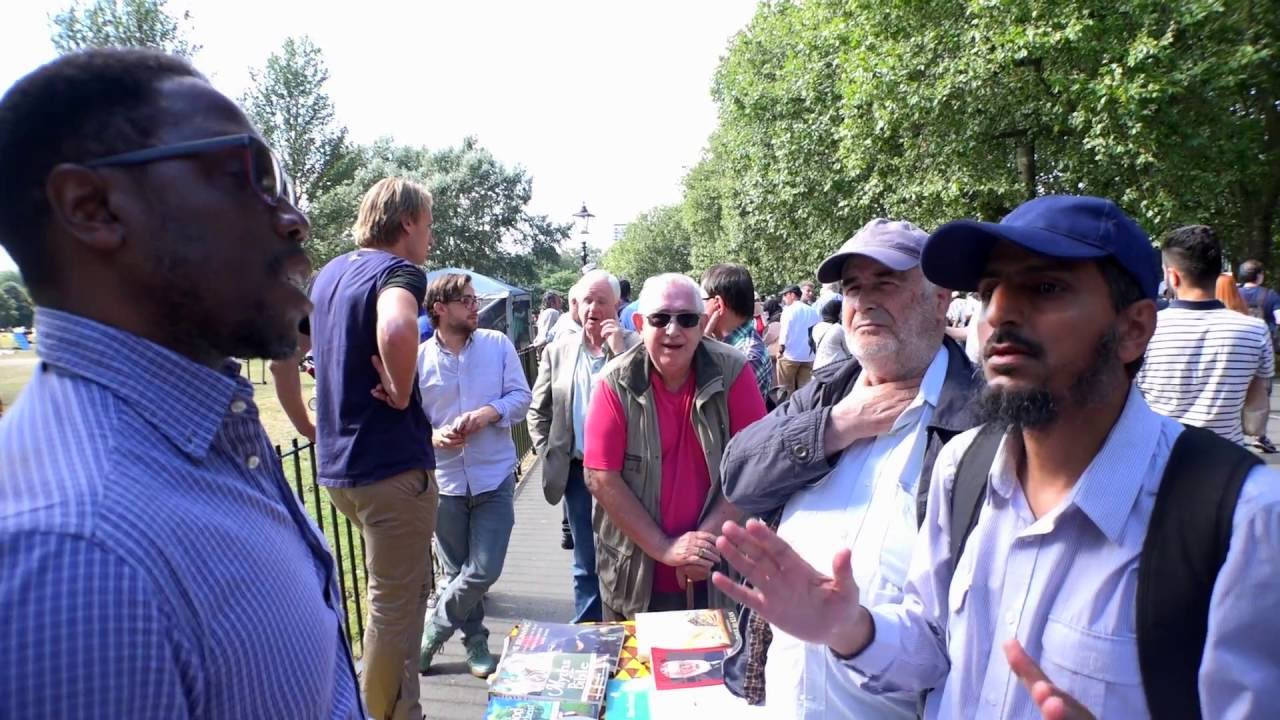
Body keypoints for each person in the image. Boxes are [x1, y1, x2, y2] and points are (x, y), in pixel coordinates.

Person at [713, 195, 1280, 719]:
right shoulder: (966, 466)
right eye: (990, 291)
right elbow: (933, 649)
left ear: (1133, 329)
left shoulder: (1242, 520)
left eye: (1046, 288)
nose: (1001, 315)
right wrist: (850, 629)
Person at [0, 48, 362, 717]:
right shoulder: (77, 555)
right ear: (92, 207)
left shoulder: (205, 439)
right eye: (244, 174)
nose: (292, 216)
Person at [718, 218, 980, 717]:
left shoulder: (980, 420)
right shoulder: (829, 392)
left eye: (887, 282)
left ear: (941, 298)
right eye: (855, 288)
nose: (866, 302)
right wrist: (835, 426)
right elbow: (739, 474)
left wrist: (849, 628)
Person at [310, 176, 437, 720]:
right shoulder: (399, 271)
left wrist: (306, 423)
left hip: (340, 471)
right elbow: (399, 324)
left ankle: (403, 709)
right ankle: (369, 712)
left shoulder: (329, 274)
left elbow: (283, 355)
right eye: (427, 225)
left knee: (403, 601)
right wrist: (403, 388)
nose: (429, 237)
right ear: (406, 221)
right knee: (392, 609)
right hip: (391, 470)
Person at [583, 274, 768, 620]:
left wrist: (702, 547)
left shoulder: (734, 371)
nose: (673, 330)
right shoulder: (614, 382)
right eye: (660, 318)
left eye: (686, 319)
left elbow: (754, 466)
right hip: (634, 575)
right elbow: (599, 477)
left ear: (701, 323)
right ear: (639, 324)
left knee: (719, 670)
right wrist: (665, 549)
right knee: (636, 671)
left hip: (718, 574)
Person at [416, 274, 532, 678]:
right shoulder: (418, 360)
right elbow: (408, 422)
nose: (474, 306)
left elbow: (522, 398)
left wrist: (488, 413)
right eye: (465, 300)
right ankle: (476, 641)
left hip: (493, 475)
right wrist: (433, 435)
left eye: (474, 299)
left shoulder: (497, 345)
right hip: (445, 481)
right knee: (456, 571)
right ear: (439, 309)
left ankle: (432, 632)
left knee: (483, 569)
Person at [527, 270, 639, 623]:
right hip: (578, 472)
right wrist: (550, 450)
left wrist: (619, 353)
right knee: (586, 561)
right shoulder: (559, 350)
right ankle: (589, 634)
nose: (593, 308)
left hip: (628, 472)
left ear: (617, 306)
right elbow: (538, 409)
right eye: (586, 301)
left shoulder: (636, 345)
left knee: (630, 554)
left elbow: (644, 402)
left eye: (601, 300)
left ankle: (625, 628)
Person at [1136, 225, 1274, 445]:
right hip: (1226, 463)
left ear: (1172, 276)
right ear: (1218, 272)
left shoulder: (1146, 331)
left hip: (1162, 459)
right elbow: (1255, 418)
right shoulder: (1255, 331)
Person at [701, 263, 774, 403]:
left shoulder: (746, 357)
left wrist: (700, 351)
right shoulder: (727, 344)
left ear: (718, 304)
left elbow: (712, 412)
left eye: (700, 300)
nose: (696, 307)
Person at [776, 284, 820, 395]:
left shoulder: (789, 310)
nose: (784, 298)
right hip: (808, 355)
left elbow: (785, 332)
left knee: (785, 389)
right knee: (804, 390)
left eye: (785, 295)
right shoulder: (812, 311)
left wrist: (780, 349)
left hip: (790, 355)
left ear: (792, 295)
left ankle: (787, 411)